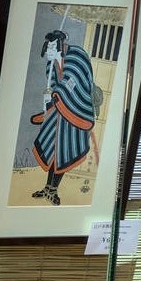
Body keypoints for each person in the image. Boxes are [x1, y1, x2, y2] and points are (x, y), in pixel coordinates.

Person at [29, 29, 96, 206]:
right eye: (48, 47)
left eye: (53, 47)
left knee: (65, 151)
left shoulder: (76, 55)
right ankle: (47, 188)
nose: (49, 50)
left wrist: (57, 93)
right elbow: (52, 84)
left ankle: (53, 190)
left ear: (61, 44)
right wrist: (49, 97)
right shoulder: (51, 64)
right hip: (57, 113)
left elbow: (74, 79)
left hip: (75, 112)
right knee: (51, 149)